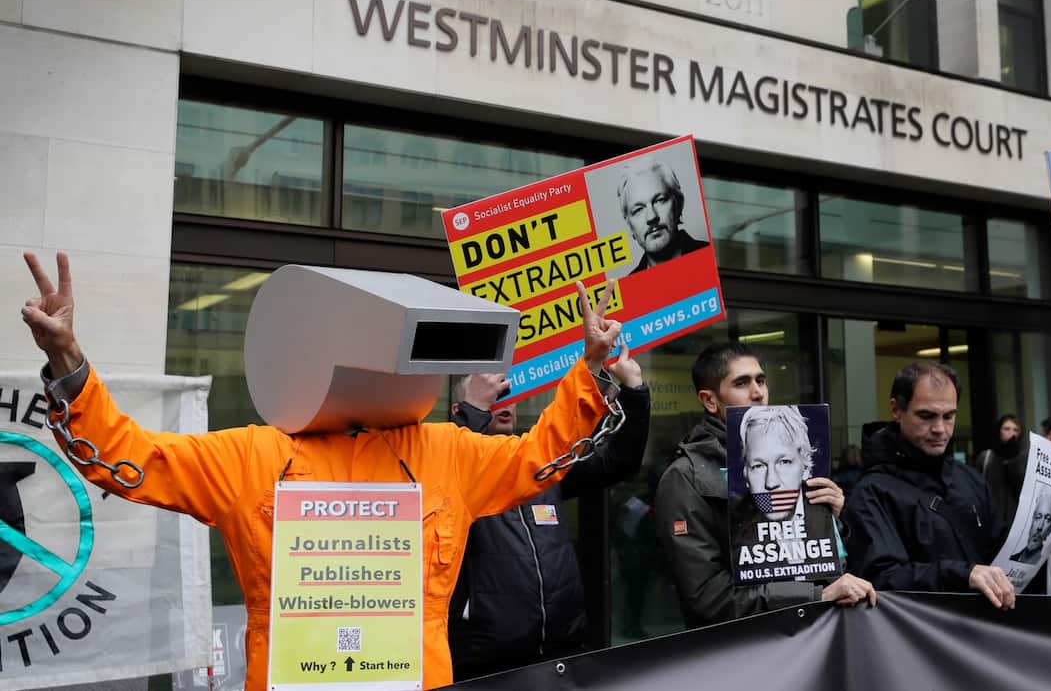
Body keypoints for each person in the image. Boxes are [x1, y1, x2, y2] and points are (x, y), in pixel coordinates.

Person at [19, 251, 622, 691]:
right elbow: (131, 458)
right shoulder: (250, 456)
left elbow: (539, 456)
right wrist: (67, 360)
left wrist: (590, 366)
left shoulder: (447, 451)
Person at [446, 354, 650, 681]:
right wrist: (473, 410)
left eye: (510, 396)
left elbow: (617, 462)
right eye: (495, 395)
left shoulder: (543, 465)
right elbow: (452, 461)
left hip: (561, 653)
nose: (505, 404)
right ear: (460, 410)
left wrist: (634, 392)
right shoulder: (451, 468)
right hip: (486, 663)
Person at [653, 341, 875, 627]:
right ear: (710, 400)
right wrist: (813, 597)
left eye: (760, 380)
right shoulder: (686, 477)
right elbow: (707, 596)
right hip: (739, 652)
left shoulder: (795, 458)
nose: (758, 393)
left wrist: (832, 524)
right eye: (741, 383)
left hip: (809, 638)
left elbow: (832, 571)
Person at [843, 362, 1051, 610]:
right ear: (896, 409)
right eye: (926, 416)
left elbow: (1001, 556)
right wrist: (964, 575)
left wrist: (1049, 545)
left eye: (949, 416)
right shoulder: (872, 490)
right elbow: (881, 580)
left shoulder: (970, 479)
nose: (940, 428)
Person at [616, 157, 709, 275]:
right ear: (628, 225)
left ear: (678, 204)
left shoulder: (711, 257)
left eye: (660, 200)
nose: (651, 217)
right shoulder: (627, 289)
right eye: (638, 209)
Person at [974, 413, 1027, 537]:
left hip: (1015, 526)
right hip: (989, 524)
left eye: (1015, 430)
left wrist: (1013, 459)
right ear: (999, 431)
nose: (1011, 433)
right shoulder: (986, 457)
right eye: (1007, 429)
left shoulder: (1024, 459)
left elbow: (1024, 491)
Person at [1009, 488, 1051, 564]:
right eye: (1038, 517)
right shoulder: (1013, 558)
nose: (1040, 527)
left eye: (1047, 519)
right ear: (1031, 520)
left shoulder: (1048, 564)